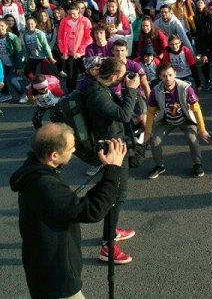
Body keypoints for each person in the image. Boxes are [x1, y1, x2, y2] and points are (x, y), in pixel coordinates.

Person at [10, 125, 127, 299]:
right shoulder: (45, 185)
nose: (74, 151)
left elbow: (76, 205)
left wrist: (107, 171)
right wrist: (113, 170)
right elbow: (92, 210)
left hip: (41, 268)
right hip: (57, 277)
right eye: (71, 148)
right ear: (53, 155)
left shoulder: (34, 169)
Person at [82, 57, 139, 263]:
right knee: (117, 194)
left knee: (115, 192)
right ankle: (108, 245)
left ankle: (111, 229)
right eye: (123, 75)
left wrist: (127, 89)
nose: (126, 78)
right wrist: (132, 89)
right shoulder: (98, 95)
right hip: (111, 148)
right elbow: (124, 114)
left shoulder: (99, 88)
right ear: (113, 76)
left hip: (115, 144)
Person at [144, 63, 210, 179]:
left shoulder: (186, 88)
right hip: (166, 120)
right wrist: (148, 133)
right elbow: (150, 112)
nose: (168, 78)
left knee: (192, 139)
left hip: (185, 120)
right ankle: (160, 166)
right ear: (159, 76)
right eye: (164, 76)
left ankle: (197, 164)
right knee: (155, 142)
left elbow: (196, 109)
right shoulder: (155, 91)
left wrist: (202, 128)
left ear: (175, 74)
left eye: (170, 75)